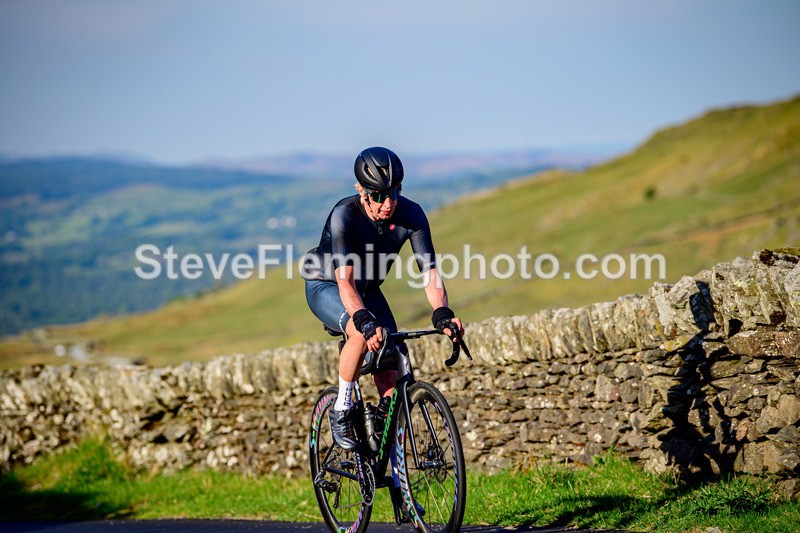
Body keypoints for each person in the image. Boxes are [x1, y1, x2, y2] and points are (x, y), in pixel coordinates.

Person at [302, 146, 464, 450]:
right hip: (327, 285)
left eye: (394, 193)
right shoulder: (344, 215)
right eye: (378, 196)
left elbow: (429, 272)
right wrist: (362, 320)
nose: (387, 203)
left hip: (367, 289)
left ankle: (389, 462)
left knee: (391, 368)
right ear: (362, 192)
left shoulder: (412, 214)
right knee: (360, 334)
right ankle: (341, 409)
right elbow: (345, 282)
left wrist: (442, 312)